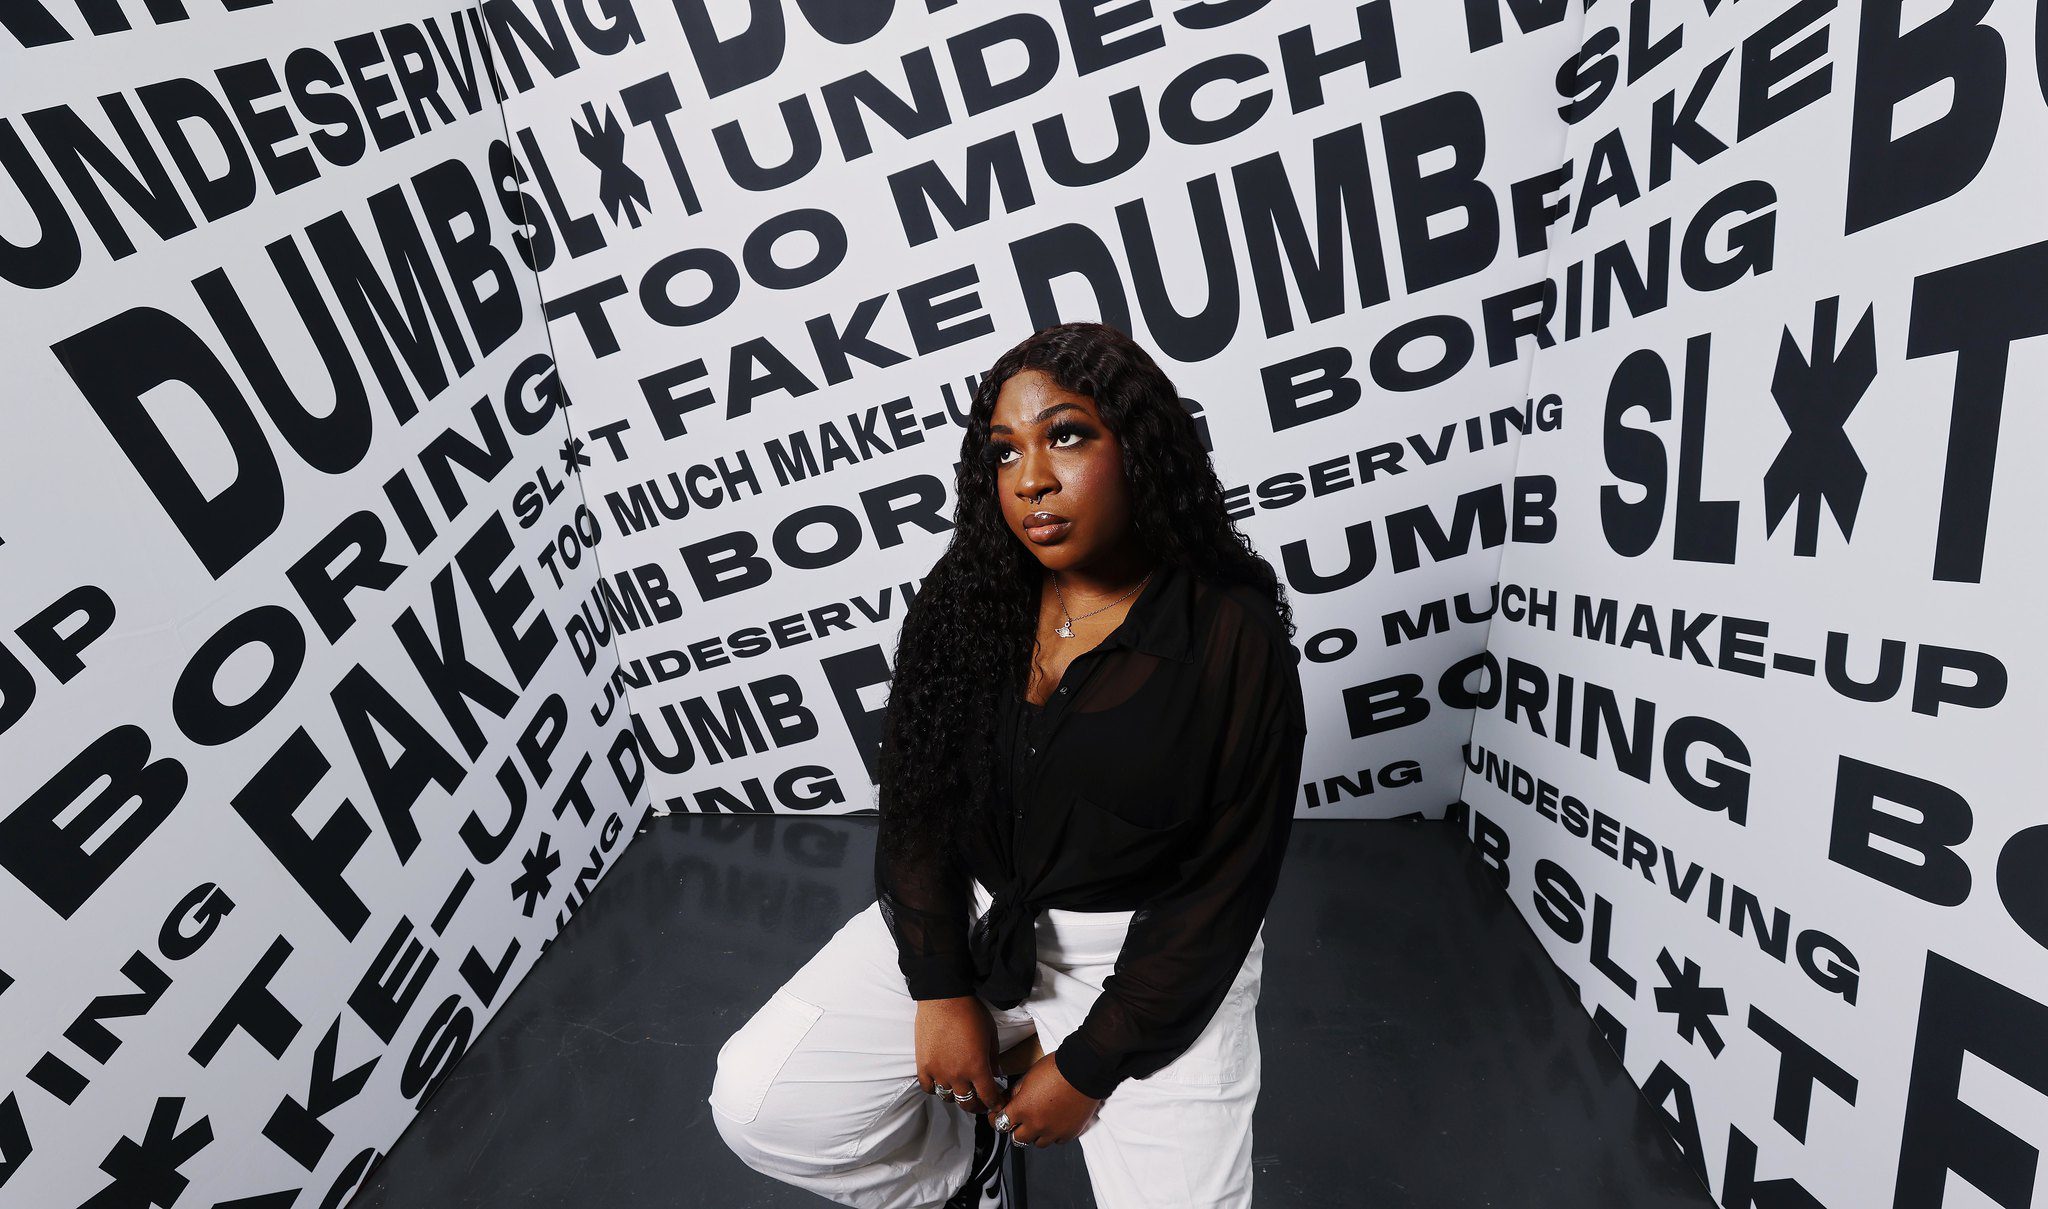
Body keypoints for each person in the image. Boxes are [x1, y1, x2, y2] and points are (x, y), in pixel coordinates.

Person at [707, 321, 1309, 1208]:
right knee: (760, 1103)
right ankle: (962, 1172)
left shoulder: (1231, 638)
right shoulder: (968, 595)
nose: (1031, 479)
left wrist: (1090, 1066)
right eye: (1004, 452)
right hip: (977, 909)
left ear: (1139, 448)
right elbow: (916, 806)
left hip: (1146, 960)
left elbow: (1218, 895)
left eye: (1066, 435)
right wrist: (941, 986)